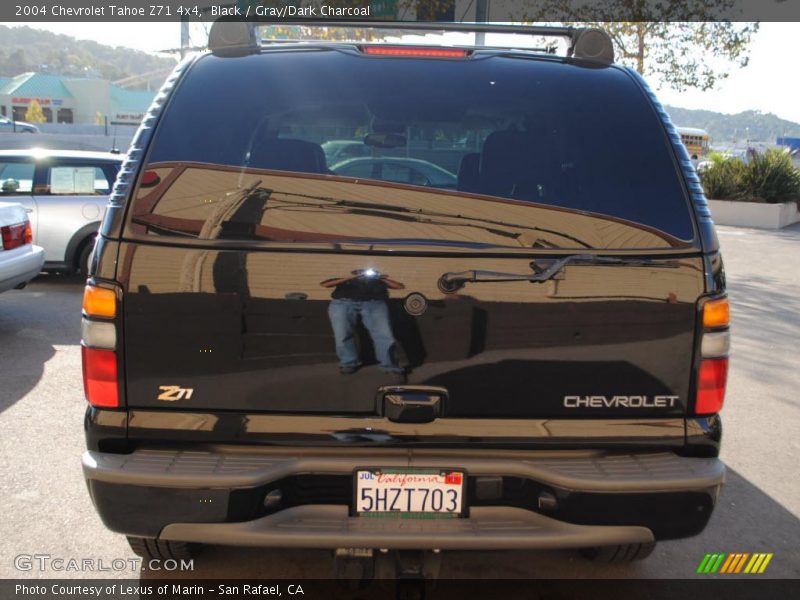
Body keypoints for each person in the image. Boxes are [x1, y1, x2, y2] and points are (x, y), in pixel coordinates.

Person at [320, 269, 405, 380]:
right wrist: (351, 278)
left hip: (374, 303)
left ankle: (391, 367)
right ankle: (348, 363)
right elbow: (324, 284)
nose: (364, 275)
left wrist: (380, 278)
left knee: (384, 336)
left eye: (367, 273)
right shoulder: (346, 280)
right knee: (342, 334)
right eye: (361, 273)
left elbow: (399, 286)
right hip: (343, 303)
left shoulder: (378, 280)